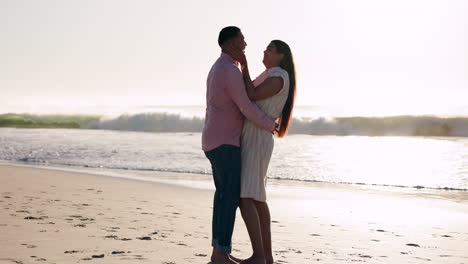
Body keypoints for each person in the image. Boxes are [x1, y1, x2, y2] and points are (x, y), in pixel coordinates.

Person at [202, 26, 277, 264]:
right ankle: (220, 254)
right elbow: (245, 104)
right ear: (231, 43)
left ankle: (219, 252)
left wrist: (244, 65)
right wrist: (269, 124)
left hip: (215, 140)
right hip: (225, 143)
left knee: (223, 197)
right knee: (228, 199)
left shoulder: (221, 67)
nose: (245, 45)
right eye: (242, 40)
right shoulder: (228, 70)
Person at [229, 40, 296, 264]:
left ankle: (260, 255)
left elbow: (252, 94)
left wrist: (244, 64)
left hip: (258, 137)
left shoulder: (278, 76)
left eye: (270, 49)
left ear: (281, 56)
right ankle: (265, 256)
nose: (265, 51)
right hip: (255, 134)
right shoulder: (271, 73)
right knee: (256, 197)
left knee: (247, 196)